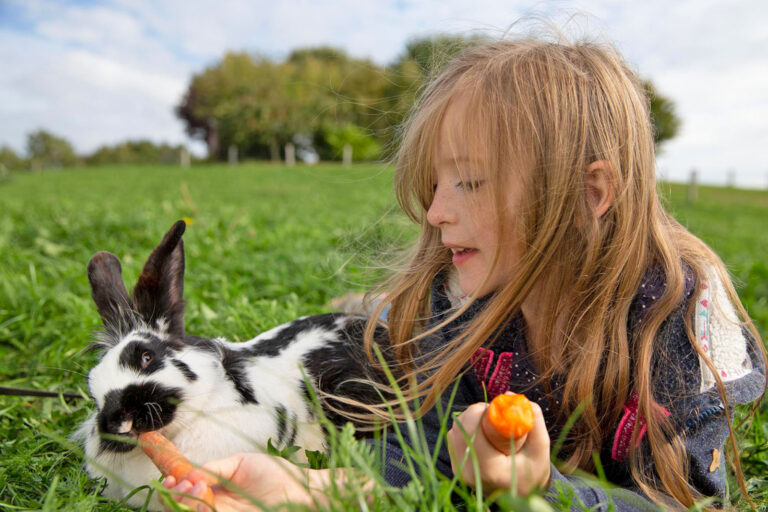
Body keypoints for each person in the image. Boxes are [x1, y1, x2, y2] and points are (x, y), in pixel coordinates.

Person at [164, 36, 766, 511]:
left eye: (470, 182)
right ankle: (369, 304)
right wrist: (301, 490)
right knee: (388, 321)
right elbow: (416, 461)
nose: (434, 212)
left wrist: (542, 492)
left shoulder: (680, 321)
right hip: (438, 311)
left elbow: (685, 501)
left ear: (588, 194)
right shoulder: (455, 297)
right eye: (436, 182)